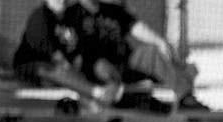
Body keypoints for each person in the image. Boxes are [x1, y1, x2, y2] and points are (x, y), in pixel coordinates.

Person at [59, 0, 205, 110]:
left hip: (126, 63)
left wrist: (160, 42)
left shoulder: (112, 10)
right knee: (102, 68)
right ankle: (112, 112)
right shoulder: (72, 14)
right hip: (98, 70)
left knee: (151, 54)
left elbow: (135, 27)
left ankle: (186, 98)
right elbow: (69, 49)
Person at [12, 0, 126, 108]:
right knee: (50, 69)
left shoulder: (72, 15)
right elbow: (51, 54)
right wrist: (72, 68)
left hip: (69, 68)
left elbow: (81, 48)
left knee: (97, 62)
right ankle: (97, 93)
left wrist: (79, 60)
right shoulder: (40, 16)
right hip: (34, 68)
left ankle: (113, 83)